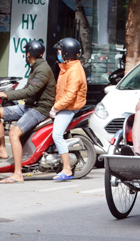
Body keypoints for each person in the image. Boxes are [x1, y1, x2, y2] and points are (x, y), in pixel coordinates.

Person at [0, 41, 56, 184]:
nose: (25, 55)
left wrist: (6, 95)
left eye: (26, 52)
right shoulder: (35, 67)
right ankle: (2, 149)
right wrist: (6, 92)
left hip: (39, 109)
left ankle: (17, 174)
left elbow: (30, 91)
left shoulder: (42, 69)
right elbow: (28, 90)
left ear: (29, 54)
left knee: (14, 133)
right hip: (29, 106)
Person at [50, 37, 87, 181]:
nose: (58, 53)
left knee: (57, 135)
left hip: (69, 107)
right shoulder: (67, 67)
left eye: (60, 50)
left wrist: (55, 107)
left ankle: (67, 170)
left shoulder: (74, 71)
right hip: (63, 105)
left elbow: (70, 96)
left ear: (66, 52)